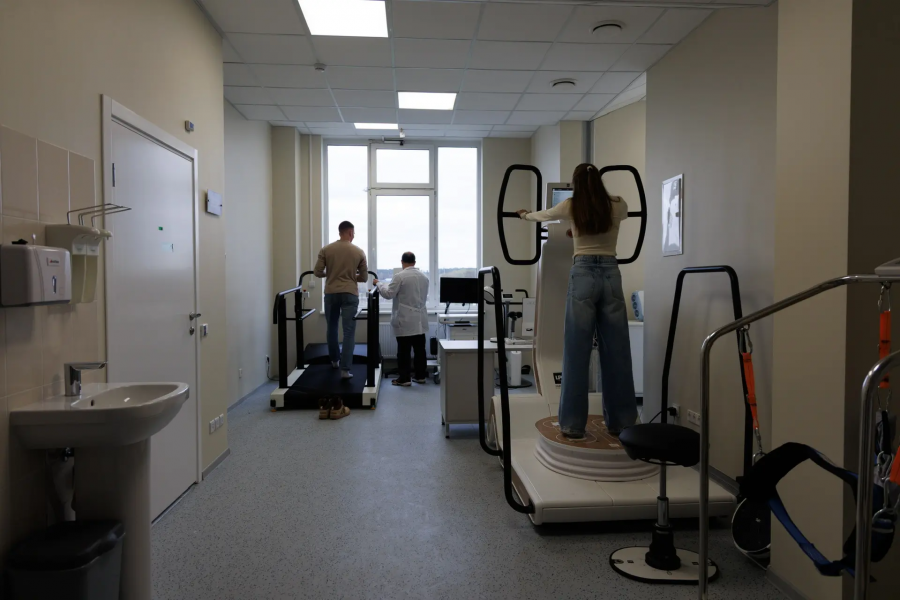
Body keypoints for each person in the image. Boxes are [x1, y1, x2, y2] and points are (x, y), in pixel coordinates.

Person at [517, 163, 637, 440]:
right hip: (611, 274)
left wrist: (523, 215)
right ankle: (622, 423)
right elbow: (606, 220)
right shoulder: (618, 204)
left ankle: (572, 425)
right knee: (617, 351)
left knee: (576, 350)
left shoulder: (571, 206)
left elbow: (541, 215)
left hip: (582, 273)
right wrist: (579, 230)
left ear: (576, 184)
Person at [314, 221, 368, 419]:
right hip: (349, 293)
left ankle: (335, 361)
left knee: (331, 327)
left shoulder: (326, 249)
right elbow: (364, 277)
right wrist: (350, 275)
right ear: (351, 233)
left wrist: (332, 273)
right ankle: (345, 370)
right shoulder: (358, 251)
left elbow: (317, 272)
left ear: (340, 232)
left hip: (331, 292)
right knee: (349, 332)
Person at [374, 252, 430, 386]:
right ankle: (421, 376)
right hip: (420, 319)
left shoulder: (400, 276)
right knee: (420, 350)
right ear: (414, 262)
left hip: (405, 318)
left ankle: (404, 379)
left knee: (404, 350)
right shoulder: (424, 277)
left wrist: (379, 284)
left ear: (402, 262)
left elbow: (388, 294)